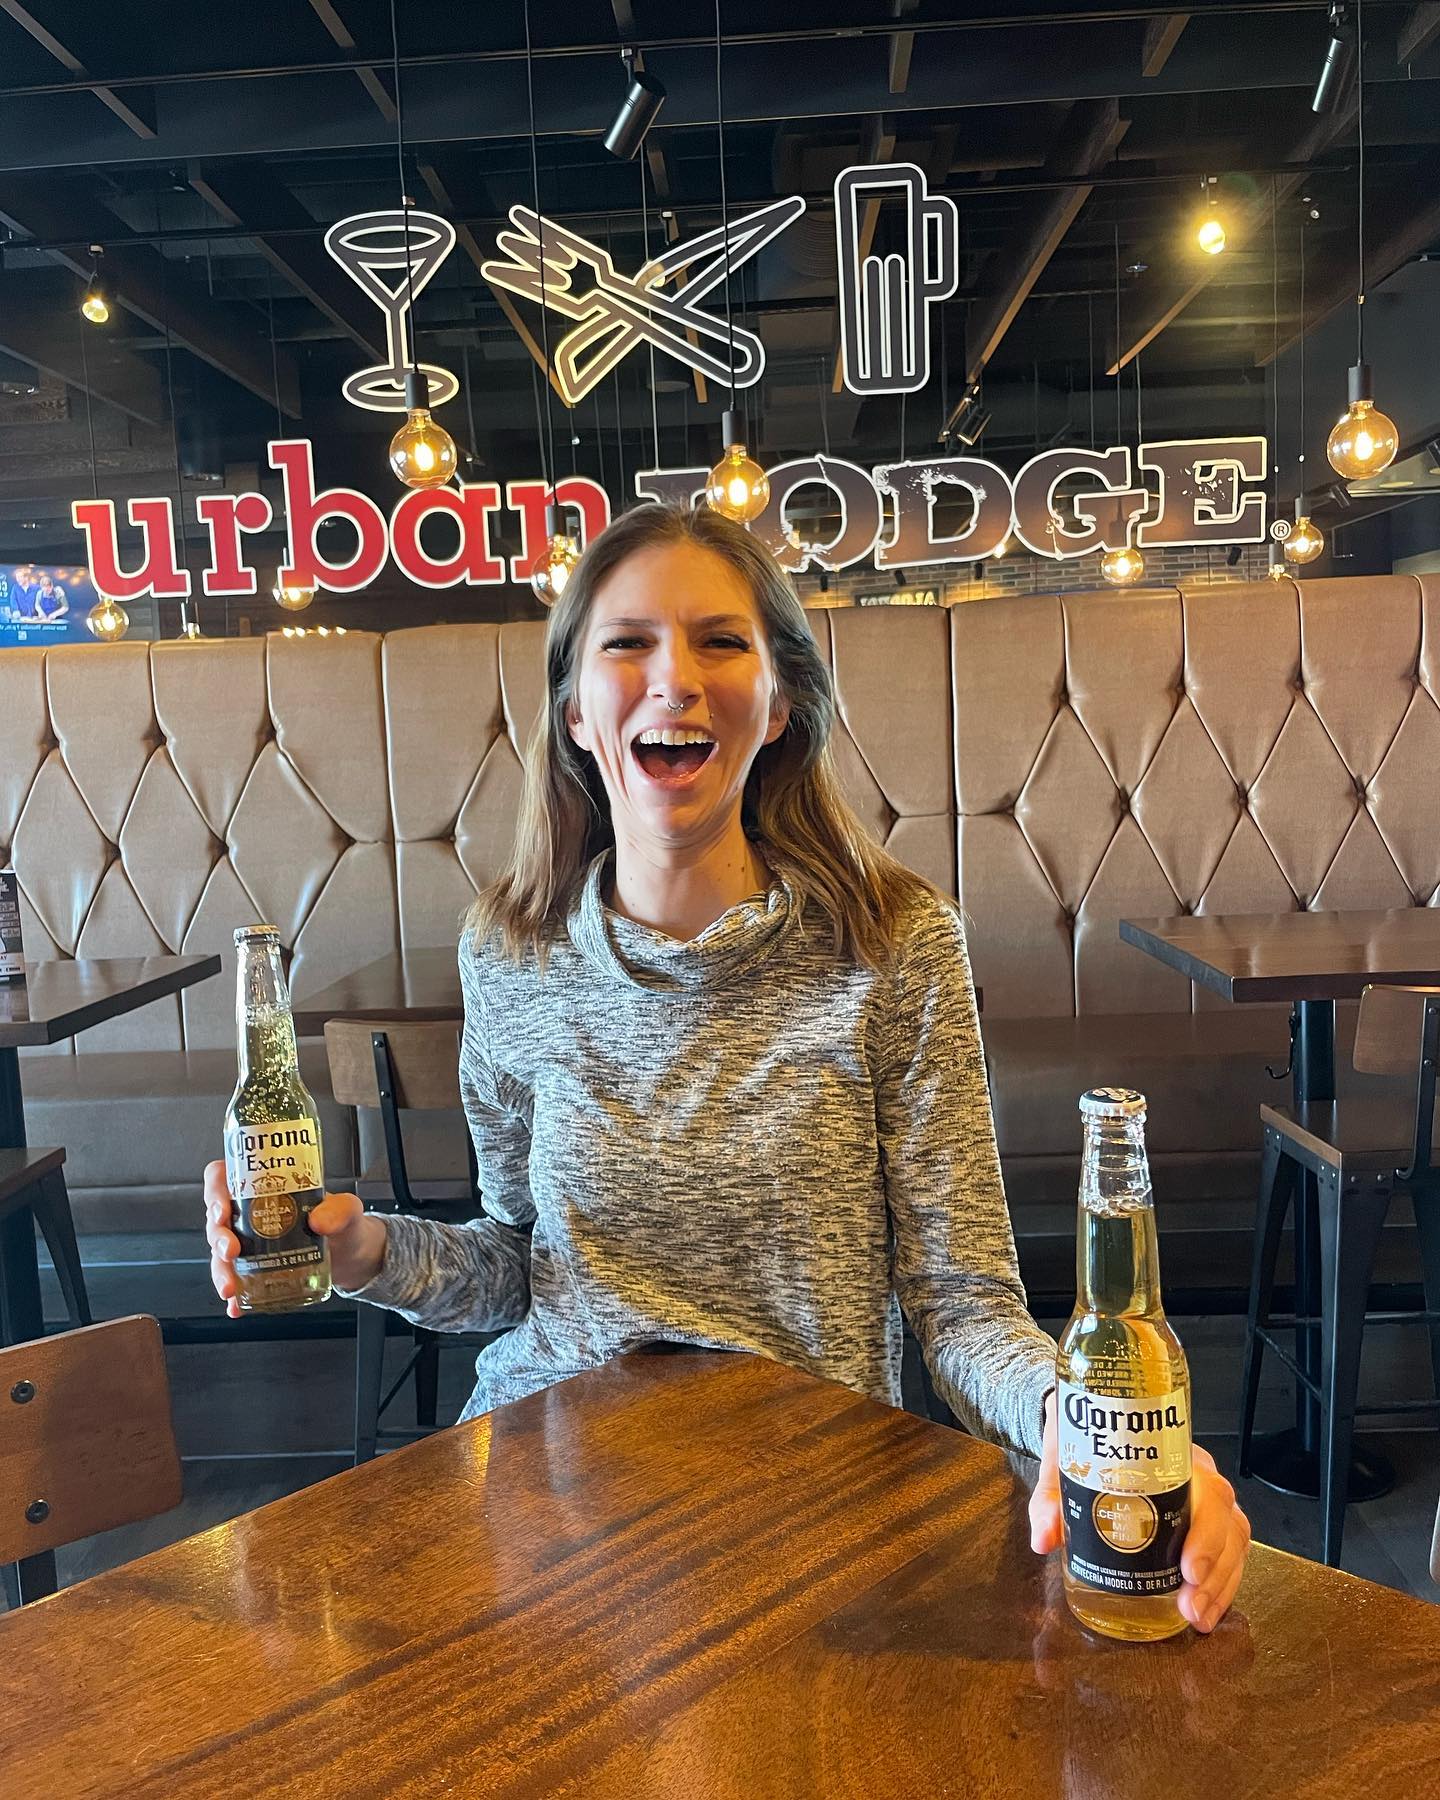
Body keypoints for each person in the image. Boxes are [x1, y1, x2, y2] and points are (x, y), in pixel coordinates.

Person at [204, 502, 1249, 1631]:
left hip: (809, 1509)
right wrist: (365, 1251)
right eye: (627, 643)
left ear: (780, 702)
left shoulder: (895, 944)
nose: (675, 680)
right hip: (550, 1503)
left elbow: (961, 1304)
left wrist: (1087, 1427)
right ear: (574, 711)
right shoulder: (509, 950)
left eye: (719, 641)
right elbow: (518, 1264)